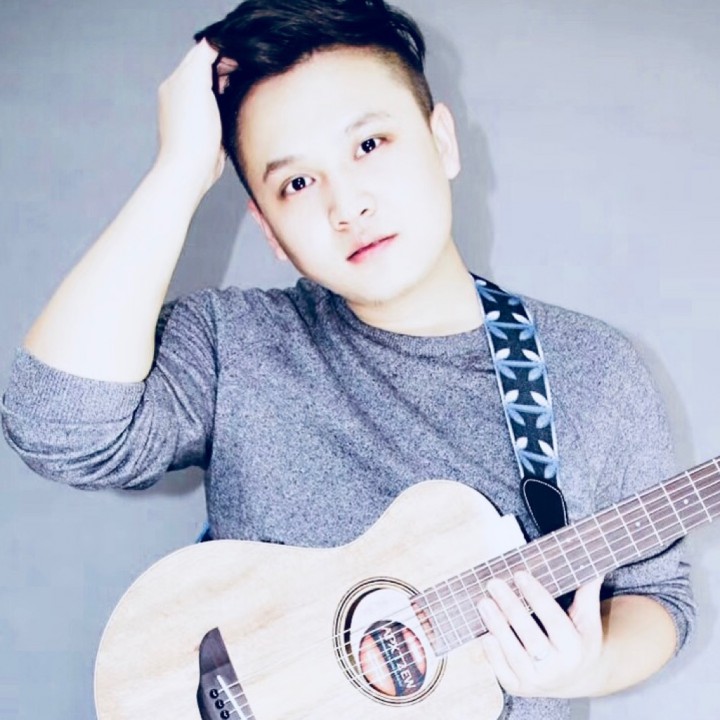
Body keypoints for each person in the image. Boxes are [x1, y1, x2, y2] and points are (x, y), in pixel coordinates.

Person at [0, 0, 694, 718]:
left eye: (369, 144)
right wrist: (177, 170)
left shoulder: (593, 372)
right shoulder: (236, 345)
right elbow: (56, 427)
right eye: (297, 183)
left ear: (443, 142)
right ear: (269, 230)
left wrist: (589, 663)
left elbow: (660, 595)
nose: (346, 205)